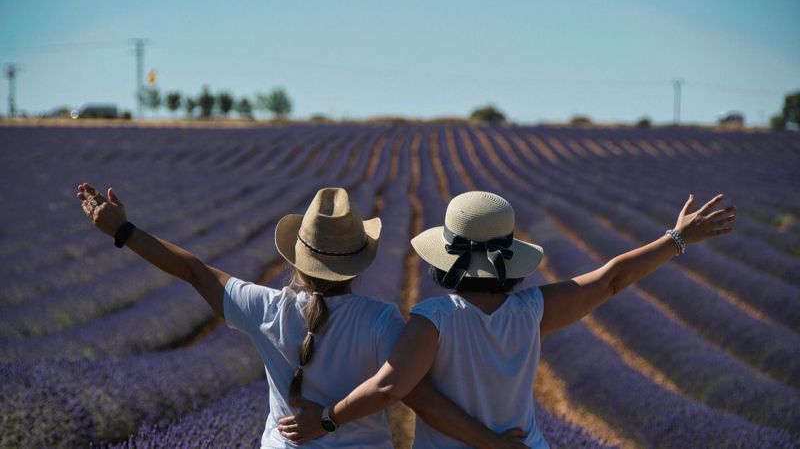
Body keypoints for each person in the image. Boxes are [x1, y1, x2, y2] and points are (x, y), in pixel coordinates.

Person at [75, 184, 528, 449]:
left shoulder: (265, 308)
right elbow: (416, 395)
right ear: (358, 263)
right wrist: (493, 442)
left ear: (296, 256)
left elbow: (192, 269)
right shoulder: (382, 320)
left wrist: (122, 230)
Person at [277, 191, 736, 448]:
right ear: (510, 259)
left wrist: (328, 420)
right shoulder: (533, 309)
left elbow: (392, 388)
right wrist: (677, 238)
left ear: (444, 257)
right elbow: (612, 278)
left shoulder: (433, 319)